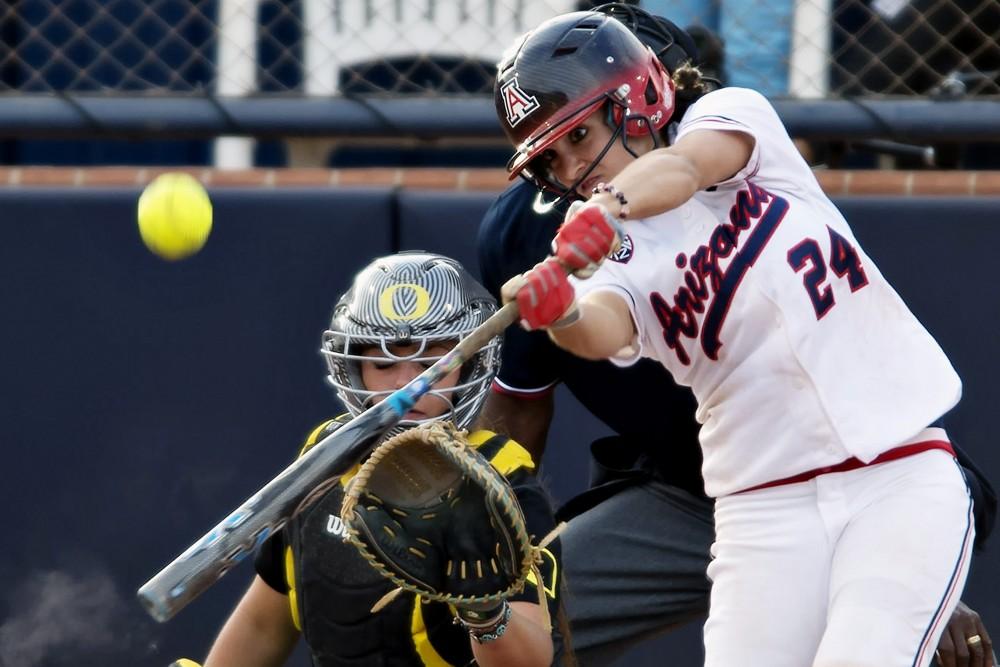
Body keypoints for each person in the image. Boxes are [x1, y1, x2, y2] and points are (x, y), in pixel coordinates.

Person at [491, 6, 990, 666]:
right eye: (551, 158)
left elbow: (688, 168)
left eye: (579, 136)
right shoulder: (614, 253)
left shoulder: (731, 119)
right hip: (761, 511)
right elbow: (603, 324)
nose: (573, 170)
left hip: (892, 471)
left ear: (637, 97)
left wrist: (607, 210)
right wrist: (559, 313)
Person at [198, 251, 562, 667]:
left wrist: (485, 610)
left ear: (470, 366)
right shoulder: (327, 452)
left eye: (432, 363)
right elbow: (263, 623)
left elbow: (534, 661)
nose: (408, 383)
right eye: (385, 362)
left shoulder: (504, 477)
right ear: (354, 369)